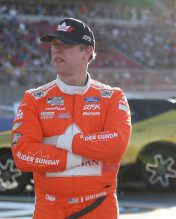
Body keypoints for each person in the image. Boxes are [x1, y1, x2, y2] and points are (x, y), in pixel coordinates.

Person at [11, 18, 131, 219]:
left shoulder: (112, 97)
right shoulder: (34, 98)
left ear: (87, 51)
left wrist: (60, 142)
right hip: (49, 208)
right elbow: (22, 154)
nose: (56, 49)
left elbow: (117, 145)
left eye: (65, 44)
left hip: (99, 207)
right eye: (54, 44)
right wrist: (79, 155)